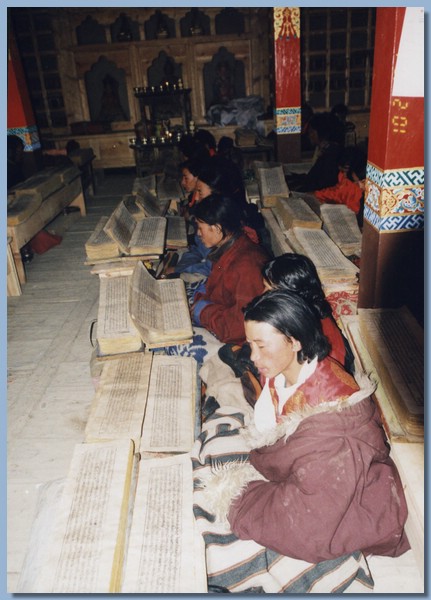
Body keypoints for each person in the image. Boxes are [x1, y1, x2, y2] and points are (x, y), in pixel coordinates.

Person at [201, 290, 410, 564]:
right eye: (251, 344)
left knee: (219, 519)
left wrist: (237, 498)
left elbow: (308, 523)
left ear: (296, 341)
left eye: (262, 346)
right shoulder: (289, 371)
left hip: (350, 497)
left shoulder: (333, 424)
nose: (253, 356)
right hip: (307, 472)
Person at [190, 194, 270, 345]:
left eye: (201, 228)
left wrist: (203, 312)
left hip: (241, 341)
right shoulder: (231, 247)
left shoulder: (247, 267)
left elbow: (240, 327)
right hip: (220, 315)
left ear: (217, 228)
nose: (198, 234)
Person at [262, 253, 355, 373]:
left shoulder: (307, 333)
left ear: (291, 296)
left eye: (269, 290)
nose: (263, 294)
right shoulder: (301, 315)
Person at [287, 111, 344, 192]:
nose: (310, 135)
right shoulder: (325, 148)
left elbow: (320, 184)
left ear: (319, 133)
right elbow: (313, 176)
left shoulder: (331, 153)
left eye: (311, 132)